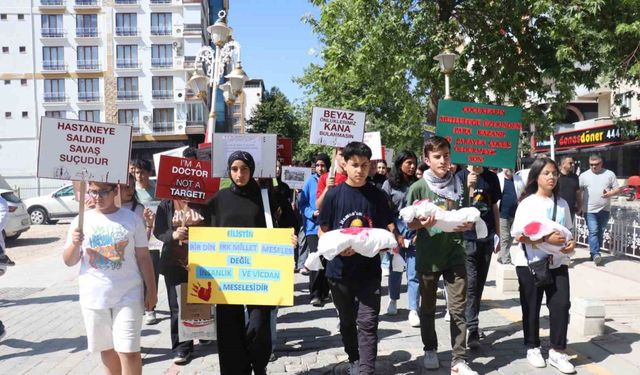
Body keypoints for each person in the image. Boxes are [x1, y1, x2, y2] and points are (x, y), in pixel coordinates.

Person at [205, 151, 296, 375]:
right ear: (229, 171)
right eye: (234, 169)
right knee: (228, 327)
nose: (239, 174)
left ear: (252, 170)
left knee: (259, 325)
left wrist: (289, 236)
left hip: (259, 274)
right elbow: (205, 232)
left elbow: (290, 221)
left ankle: (259, 363)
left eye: (244, 169)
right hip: (227, 275)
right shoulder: (218, 200)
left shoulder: (267, 196)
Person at [318, 141, 400, 375]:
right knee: (347, 321)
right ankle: (353, 358)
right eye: (355, 165)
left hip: (369, 273)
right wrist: (339, 248)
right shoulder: (333, 195)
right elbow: (323, 230)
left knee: (367, 323)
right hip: (339, 272)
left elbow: (386, 228)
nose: (360, 170)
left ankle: (366, 370)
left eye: (364, 165)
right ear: (345, 164)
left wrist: (389, 243)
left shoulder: (377, 196)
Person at [63, 181, 157, 375]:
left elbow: (144, 257)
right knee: (107, 350)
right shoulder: (80, 221)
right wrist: (74, 243)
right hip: (94, 296)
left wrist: (152, 291)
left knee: (129, 351)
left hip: (129, 295)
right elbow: (69, 261)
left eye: (103, 192)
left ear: (116, 190)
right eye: (93, 192)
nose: (97, 197)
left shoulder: (131, 219)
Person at [406, 136, 478, 375]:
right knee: (427, 308)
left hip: (455, 254)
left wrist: (468, 225)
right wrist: (422, 223)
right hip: (428, 257)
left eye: (446, 155)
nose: (443, 160)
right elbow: (409, 222)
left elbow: (466, 213)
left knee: (458, 308)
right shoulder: (418, 188)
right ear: (427, 160)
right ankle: (430, 348)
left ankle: (459, 358)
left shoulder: (458, 183)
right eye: (437, 156)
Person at [511, 157, 576, 373]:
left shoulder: (563, 203)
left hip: (557, 262)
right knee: (531, 306)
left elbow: (569, 231)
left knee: (561, 305)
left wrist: (569, 244)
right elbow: (518, 234)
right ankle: (532, 346)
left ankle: (557, 350)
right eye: (546, 173)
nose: (551, 177)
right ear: (536, 176)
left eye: (554, 173)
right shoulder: (527, 203)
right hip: (530, 264)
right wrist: (543, 240)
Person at [153, 147, 209, 365]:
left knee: (199, 300)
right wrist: (173, 234)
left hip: (200, 260)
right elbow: (159, 231)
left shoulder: (205, 200)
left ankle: (202, 332)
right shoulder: (167, 202)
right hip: (174, 261)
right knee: (177, 306)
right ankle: (182, 348)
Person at [456, 164, 501, 349]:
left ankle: (471, 322)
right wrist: (468, 187)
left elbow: (494, 207)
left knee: (479, 284)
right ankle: (471, 329)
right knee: (471, 284)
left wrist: (498, 234)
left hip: (487, 238)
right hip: (468, 238)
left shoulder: (492, 177)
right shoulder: (460, 176)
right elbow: (457, 207)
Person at [380, 150, 421, 327]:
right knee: (396, 269)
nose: (412, 166)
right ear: (399, 164)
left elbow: (424, 210)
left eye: (414, 163)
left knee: (414, 272)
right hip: (395, 232)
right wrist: (395, 235)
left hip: (414, 234)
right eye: (408, 163)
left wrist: (420, 233)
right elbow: (384, 212)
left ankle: (413, 309)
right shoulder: (388, 185)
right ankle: (393, 299)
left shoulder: (419, 185)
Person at [299, 153, 331, 306]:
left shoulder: (332, 181)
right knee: (315, 258)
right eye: (317, 165)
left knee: (326, 259)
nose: (320, 168)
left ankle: (325, 291)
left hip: (328, 227)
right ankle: (315, 293)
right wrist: (311, 213)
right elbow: (303, 203)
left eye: (322, 165)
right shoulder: (310, 182)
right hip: (312, 227)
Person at [132, 158, 161, 324]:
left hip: (153, 239)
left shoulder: (157, 190)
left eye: (142, 172)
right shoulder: (131, 192)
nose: (139, 176)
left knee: (152, 272)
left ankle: (150, 307)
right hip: (136, 238)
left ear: (149, 173)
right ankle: (140, 304)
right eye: (136, 172)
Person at [579, 154, 620, 265]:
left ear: (601, 163)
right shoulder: (583, 176)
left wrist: (610, 193)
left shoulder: (609, 174)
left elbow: (617, 189)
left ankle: (593, 254)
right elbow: (579, 192)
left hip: (604, 209)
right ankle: (596, 253)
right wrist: (579, 206)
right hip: (589, 210)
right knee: (593, 231)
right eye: (591, 165)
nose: (593, 167)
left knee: (600, 232)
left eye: (596, 164)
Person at [497, 168, 525, 265]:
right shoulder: (498, 178)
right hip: (502, 213)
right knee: (504, 237)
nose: (509, 169)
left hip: (515, 213)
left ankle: (501, 256)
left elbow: (523, 193)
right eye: (507, 167)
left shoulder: (518, 179)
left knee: (511, 236)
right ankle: (506, 261)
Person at [557, 156, 583, 226]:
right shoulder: (556, 177)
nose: (573, 165)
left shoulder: (575, 177)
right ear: (563, 164)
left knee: (568, 231)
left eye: (573, 163)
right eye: (570, 163)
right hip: (558, 209)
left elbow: (578, 192)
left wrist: (580, 206)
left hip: (570, 209)